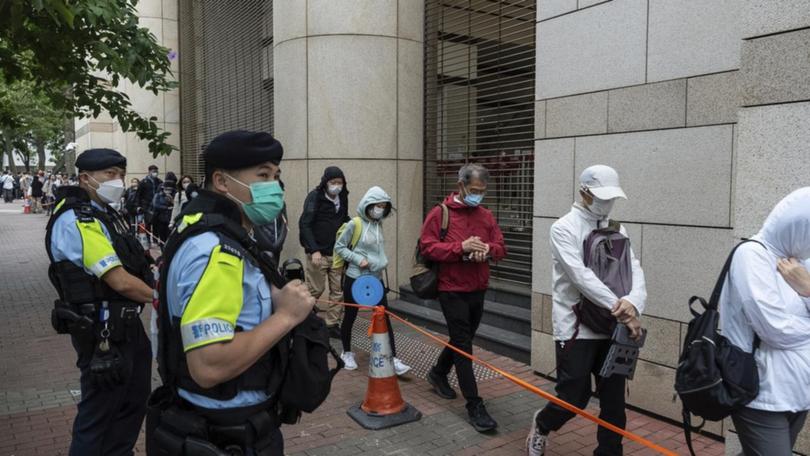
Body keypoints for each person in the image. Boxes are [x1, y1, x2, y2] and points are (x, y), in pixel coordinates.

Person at [152, 130, 315, 455]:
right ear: (223, 182)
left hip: (212, 420)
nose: (274, 187)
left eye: (276, 176)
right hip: (227, 430)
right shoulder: (218, 250)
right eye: (263, 175)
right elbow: (208, 365)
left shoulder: (204, 227)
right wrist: (286, 316)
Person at [525, 165, 646, 456]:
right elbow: (580, 276)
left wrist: (634, 302)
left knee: (614, 402)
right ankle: (542, 424)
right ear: (584, 192)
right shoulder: (563, 228)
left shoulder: (617, 228)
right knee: (574, 397)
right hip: (576, 325)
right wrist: (621, 307)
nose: (607, 203)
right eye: (601, 197)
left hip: (613, 325)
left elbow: (635, 268)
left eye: (611, 197)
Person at [44, 148, 154, 455]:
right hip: (102, 330)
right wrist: (164, 299)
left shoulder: (105, 214)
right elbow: (117, 280)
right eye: (109, 174)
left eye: (120, 174)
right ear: (85, 178)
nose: (117, 180)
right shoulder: (79, 218)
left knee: (133, 401)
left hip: (123, 325)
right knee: (100, 412)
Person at [719, 188, 810, 456]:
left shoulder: (799, 262)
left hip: (797, 391)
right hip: (760, 393)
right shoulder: (751, 255)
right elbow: (775, 329)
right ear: (798, 227)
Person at [419, 163, 507, 433]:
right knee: (463, 345)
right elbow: (427, 246)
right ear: (461, 186)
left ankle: (438, 373)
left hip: (478, 287)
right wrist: (460, 248)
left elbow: (501, 247)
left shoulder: (486, 215)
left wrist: (487, 249)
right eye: (473, 190)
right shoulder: (440, 213)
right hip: (451, 288)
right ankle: (474, 404)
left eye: (482, 191)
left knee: (462, 339)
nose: (477, 195)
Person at [334, 185, 411, 376]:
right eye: (378, 205)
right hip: (355, 278)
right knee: (350, 316)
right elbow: (340, 247)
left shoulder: (378, 224)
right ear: (368, 205)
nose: (380, 209)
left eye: (384, 206)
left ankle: (392, 358)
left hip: (375, 279)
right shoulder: (355, 223)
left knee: (383, 316)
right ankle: (347, 352)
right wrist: (358, 259)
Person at [299, 166, 350, 337]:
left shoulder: (343, 197)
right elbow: (305, 224)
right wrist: (314, 250)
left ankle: (331, 324)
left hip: (337, 253)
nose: (337, 186)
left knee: (337, 291)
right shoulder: (315, 197)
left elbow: (344, 219)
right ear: (325, 182)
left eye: (340, 182)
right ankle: (303, 319)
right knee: (315, 289)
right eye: (333, 182)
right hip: (318, 253)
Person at [150, 172, 176, 243]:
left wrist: (172, 201)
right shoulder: (159, 195)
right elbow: (156, 205)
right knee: (162, 236)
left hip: (170, 219)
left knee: (169, 237)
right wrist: (166, 208)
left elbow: (177, 205)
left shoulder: (175, 193)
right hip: (160, 218)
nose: (168, 190)